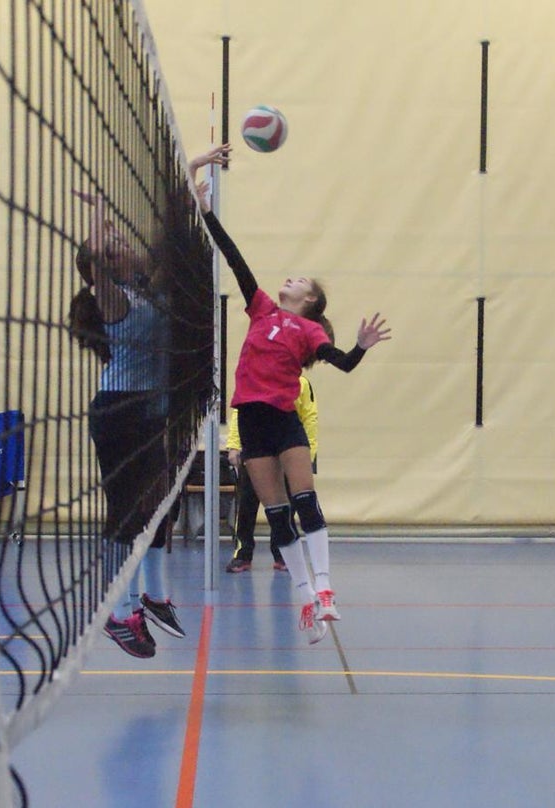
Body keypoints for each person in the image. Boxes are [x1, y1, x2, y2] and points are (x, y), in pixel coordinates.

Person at [190, 143, 391, 644]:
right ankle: (304, 599)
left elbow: (341, 362)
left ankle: (324, 589)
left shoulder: (308, 332)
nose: (290, 278)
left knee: (305, 501)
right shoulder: (261, 310)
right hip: (251, 424)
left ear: (311, 301)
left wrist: (361, 347)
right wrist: (207, 212)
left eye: (301, 280)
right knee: (275, 513)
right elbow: (235, 262)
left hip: (282, 420)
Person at [69, 191, 187, 658]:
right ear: (104, 268)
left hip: (149, 411)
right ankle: (116, 615)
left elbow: (170, 247)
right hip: (119, 413)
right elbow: (96, 260)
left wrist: (194, 182)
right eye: (113, 245)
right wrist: (99, 211)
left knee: (162, 506)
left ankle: (153, 598)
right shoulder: (113, 299)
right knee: (127, 513)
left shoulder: (146, 289)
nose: (122, 244)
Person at [225, 373, 320, 574]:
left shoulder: (301, 383)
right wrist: (234, 445)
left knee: (286, 508)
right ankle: (243, 554)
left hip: (287, 453)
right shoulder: (252, 379)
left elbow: (309, 418)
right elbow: (239, 413)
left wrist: (307, 455)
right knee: (247, 505)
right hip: (256, 452)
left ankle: (281, 553)